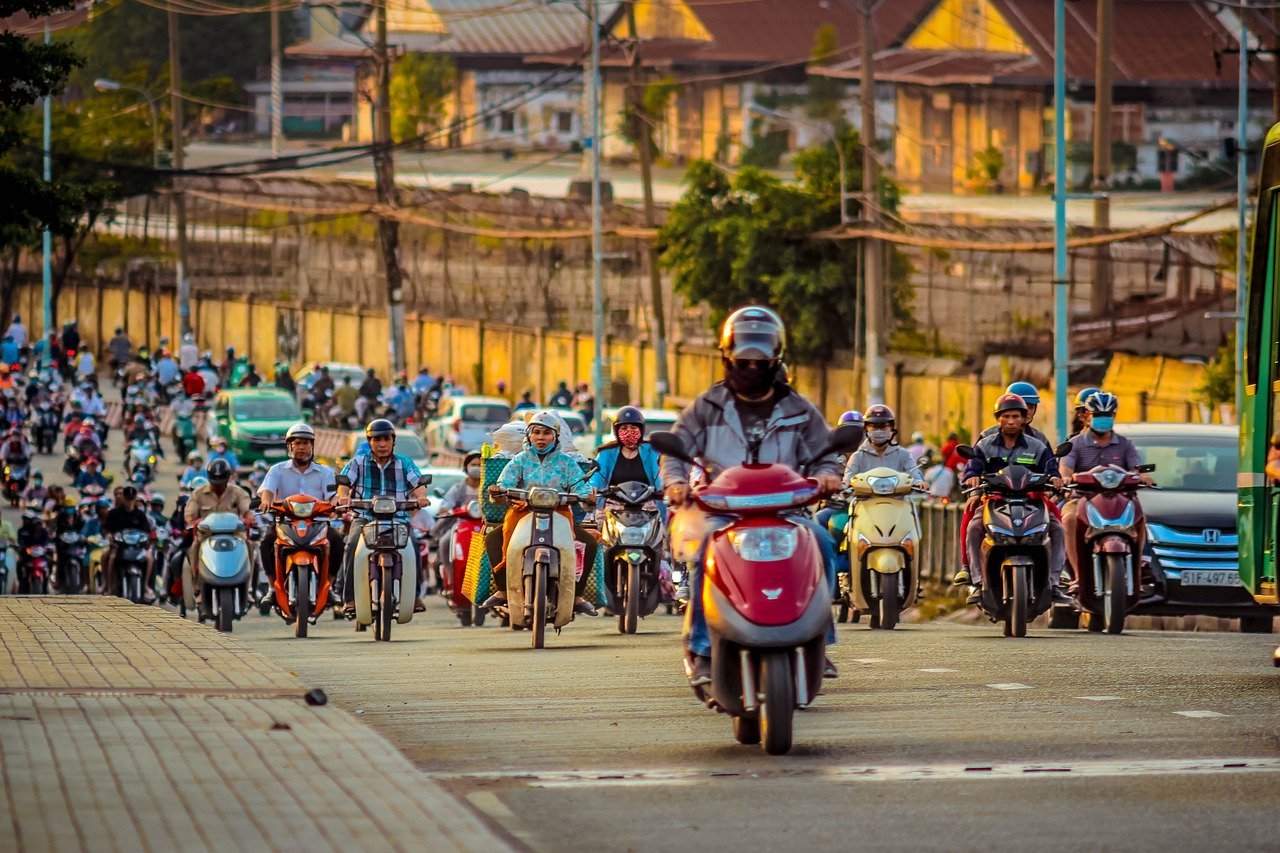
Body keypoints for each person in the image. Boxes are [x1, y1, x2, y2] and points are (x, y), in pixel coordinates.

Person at [659, 306, 844, 686]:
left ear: (776, 355)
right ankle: (701, 649)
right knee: (702, 555)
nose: (752, 364)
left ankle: (818, 643)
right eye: (744, 355)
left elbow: (825, 452)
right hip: (724, 513)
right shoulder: (706, 406)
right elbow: (675, 447)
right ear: (728, 354)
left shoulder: (799, 409)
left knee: (823, 542)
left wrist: (827, 476)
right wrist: (675, 483)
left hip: (788, 512)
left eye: (761, 355)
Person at [484, 411, 599, 616]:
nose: (540, 437)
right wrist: (498, 491)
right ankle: (503, 591)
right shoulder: (520, 460)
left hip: (560, 514)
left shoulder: (567, 462)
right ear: (529, 436)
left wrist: (587, 497)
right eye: (536, 432)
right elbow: (504, 484)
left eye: (546, 433)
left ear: (555, 436)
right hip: (523, 513)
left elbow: (580, 487)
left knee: (589, 543)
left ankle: (577, 596)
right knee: (492, 539)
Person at [954, 393, 1064, 604]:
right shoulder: (984, 445)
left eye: (1016, 416)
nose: (1011, 421)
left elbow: (1051, 469)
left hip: (1032, 500)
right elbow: (972, 469)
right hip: (994, 500)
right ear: (998, 418)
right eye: (1006, 416)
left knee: (1058, 528)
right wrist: (972, 479)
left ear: (1024, 418)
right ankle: (976, 582)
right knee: (974, 526)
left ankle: (1055, 582)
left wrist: (1056, 478)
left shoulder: (1037, 446)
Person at [334, 419, 429, 615]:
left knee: (413, 547)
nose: (382, 444)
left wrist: (422, 498)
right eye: (377, 440)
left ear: (393, 441)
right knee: (351, 545)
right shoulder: (357, 463)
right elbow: (344, 483)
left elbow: (418, 483)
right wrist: (343, 496)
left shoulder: (404, 462)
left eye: (386, 439)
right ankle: (350, 598)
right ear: (369, 441)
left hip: (398, 519)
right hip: (365, 517)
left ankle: (414, 596)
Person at [1058, 392, 1150, 588]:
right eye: (1098, 414)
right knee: (1068, 519)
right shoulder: (1076, 443)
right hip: (1081, 499)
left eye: (1108, 415)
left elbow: (1136, 468)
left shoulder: (1125, 444)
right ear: (1087, 416)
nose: (1103, 419)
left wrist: (1142, 476)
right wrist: (1066, 477)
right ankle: (1077, 575)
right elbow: (1065, 466)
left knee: (1141, 516)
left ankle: (1138, 566)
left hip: (1119, 501)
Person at [256, 423, 342, 608]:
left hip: (318, 524)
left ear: (312, 446)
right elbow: (268, 491)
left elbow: (333, 496)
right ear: (290, 446)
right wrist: (266, 501)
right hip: (285, 523)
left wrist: (337, 504)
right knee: (266, 544)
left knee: (337, 541)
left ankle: (330, 587)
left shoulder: (325, 472)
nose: (301, 448)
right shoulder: (277, 470)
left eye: (306, 443)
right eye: (297, 443)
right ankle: (272, 588)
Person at [182, 458, 253, 616]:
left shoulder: (237, 492)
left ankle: (248, 587)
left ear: (228, 478)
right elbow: (190, 513)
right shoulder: (198, 493)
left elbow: (246, 509)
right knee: (194, 548)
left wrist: (249, 518)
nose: (218, 485)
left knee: (250, 545)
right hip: (206, 536)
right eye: (215, 481)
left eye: (222, 482)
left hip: (234, 535)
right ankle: (197, 587)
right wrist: (191, 521)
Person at [589, 405, 664, 516]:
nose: (629, 432)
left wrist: (666, 488)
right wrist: (592, 487)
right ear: (616, 431)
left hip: (646, 507)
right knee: (599, 529)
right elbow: (598, 474)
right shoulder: (606, 452)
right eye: (624, 429)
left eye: (633, 428)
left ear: (641, 430)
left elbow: (660, 475)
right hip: (612, 506)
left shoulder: (652, 451)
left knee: (660, 529)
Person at [844, 405, 923, 484]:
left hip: (897, 496)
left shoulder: (904, 454)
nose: (878, 431)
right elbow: (848, 480)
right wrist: (846, 484)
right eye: (874, 426)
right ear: (866, 428)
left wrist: (920, 483)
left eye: (883, 426)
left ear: (891, 428)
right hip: (864, 496)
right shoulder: (858, 456)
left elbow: (915, 478)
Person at [102, 485, 154, 601]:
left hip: (137, 547)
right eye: (127, 499)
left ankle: (146, 585)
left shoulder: (140, 515)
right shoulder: (114, 513)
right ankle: (109, 586)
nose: (129, 501)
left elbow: (146, 531)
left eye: (132, 499)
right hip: (119, 546)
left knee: (150, 558)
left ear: (135, 498)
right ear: (124, 498)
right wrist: (110, 536)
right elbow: (107, 528)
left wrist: (147, 540)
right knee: (111, 558)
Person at [15, 506, 49, 594]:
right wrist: (23, 547)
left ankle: (46, 588)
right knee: (19, 564)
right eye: (25, 519)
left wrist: (47, 547)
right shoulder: (22, 531)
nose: (26, 521)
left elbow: (47, 542)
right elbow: (20, 542)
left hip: (40, 555)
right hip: (27, 555)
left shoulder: (43, 531)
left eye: (28, 519)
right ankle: (22, 586)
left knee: (49, 563)